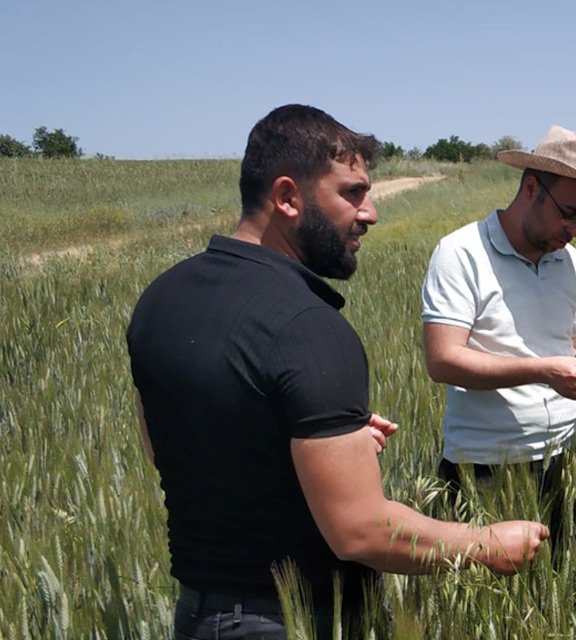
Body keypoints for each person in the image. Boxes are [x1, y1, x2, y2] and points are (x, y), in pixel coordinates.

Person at [127, 104, 548, 639]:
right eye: (352, 192)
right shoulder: (306, 325)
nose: (369, 213)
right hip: (295, 620)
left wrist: (309, 439)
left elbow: (169, 446)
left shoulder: (160, 299)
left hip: (196, 615)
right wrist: (486, 545)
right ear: (286, 197)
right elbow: (360, 532)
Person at [420, 125, 576, 540]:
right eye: (568, 213)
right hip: (483, 467)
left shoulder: (569, 262)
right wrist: (545, 371)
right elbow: (443, 360)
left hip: (566, 455)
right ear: (531, 188)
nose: (574, 229)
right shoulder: (461, 252)